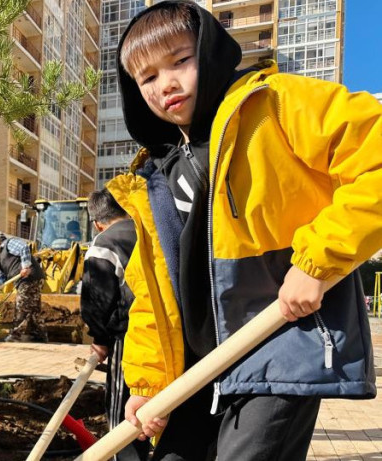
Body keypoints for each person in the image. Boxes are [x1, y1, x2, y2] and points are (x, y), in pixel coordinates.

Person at [112, 2, 380, 460]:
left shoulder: (272, 105)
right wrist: (147, 384)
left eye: (180, 60)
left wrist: (317, 261)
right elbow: (154, 297)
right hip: (197, 370)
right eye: (147, 77)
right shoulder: (156, 176)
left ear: (211, 51)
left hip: (279, 341)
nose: (166, 84)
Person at [81, 190, 147, 461]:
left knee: (124, 416)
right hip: (167, 332)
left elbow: (98, 297)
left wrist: (100, 338)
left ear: (97, 222)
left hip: (130, 338)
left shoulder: (104, 243)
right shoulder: (147, 231)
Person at [0, 231, 47, 343]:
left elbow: (24, 247)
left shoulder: (9, 243)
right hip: (29, 280)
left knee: (22, 305)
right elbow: (3, 277)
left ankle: (16, 335)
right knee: (33, 309)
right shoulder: (1, 260)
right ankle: (40, 336)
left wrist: (25, 266)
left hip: (28, 278)